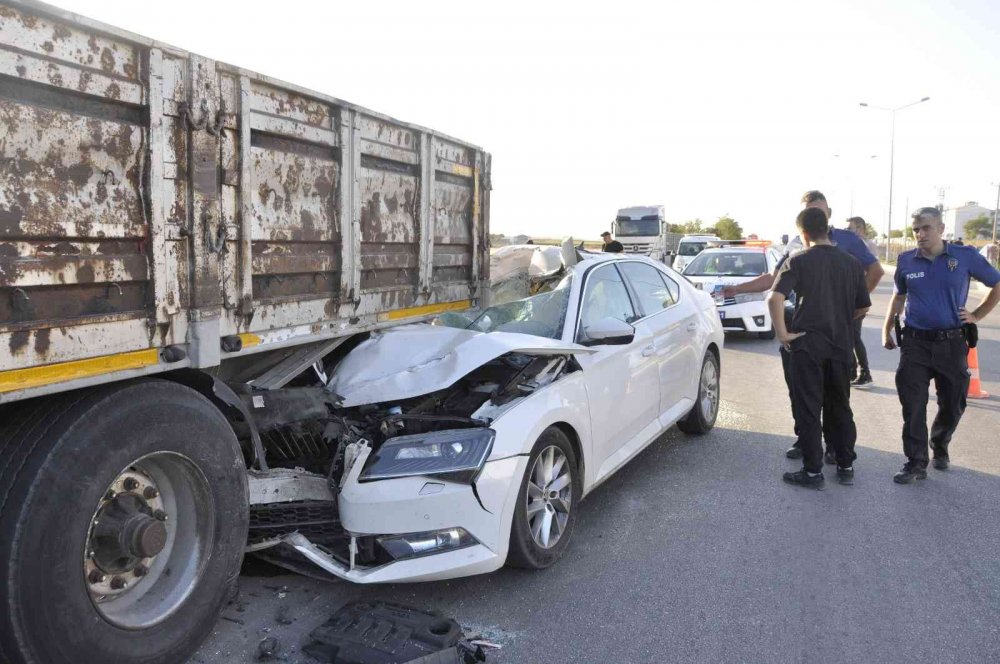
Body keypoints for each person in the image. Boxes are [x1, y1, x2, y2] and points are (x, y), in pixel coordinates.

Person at [725, 191, 884, 461]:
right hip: (801, 327)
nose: (813, 211)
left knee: (835, 395)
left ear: (828, 212)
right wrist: (738, 288)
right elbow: (774, 280)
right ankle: (806, 441)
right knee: (800, 390)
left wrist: (849, 313)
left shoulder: (847, 240)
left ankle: (835, 448)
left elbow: (876, 271)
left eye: (817, 208)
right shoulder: (796, 244)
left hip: (838, 329)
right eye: (808, 208)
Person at [882, 207, 1000, 483]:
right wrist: (887, 328)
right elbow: (899, 298)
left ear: (941, 228)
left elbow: (997, 283)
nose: (920, 234)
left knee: (953, 403)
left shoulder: (965, 256)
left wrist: (977, 315)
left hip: (952, 343)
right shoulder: (906, 261)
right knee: (913, 405)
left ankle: (940, 442)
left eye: (925, 228)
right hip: (915, 343)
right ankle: (915, 461)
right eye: (916, 229)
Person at [769, 207, 871, 489]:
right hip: (840, 345)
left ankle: (813, 472)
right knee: (840, 406)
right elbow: (863, 305)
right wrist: (839, 318)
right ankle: (846, 465)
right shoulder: (851, 263)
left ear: (803, 233)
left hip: (807, 346)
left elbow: (774, 299)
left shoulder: (797, 260)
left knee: (809, 408)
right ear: (827, 229)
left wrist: (784, 334)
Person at [845, 217, 874, 387]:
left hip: (857, 300)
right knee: (850, 336)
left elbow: (871, 272)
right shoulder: (853, 245)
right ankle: (852, 370)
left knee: (854, 337)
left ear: (861, 229)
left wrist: (861, 299)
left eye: (851, 228)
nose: (848, 231)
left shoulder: (863, 246)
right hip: (851, 298)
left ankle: (865, 373)